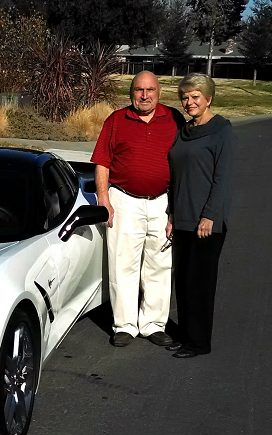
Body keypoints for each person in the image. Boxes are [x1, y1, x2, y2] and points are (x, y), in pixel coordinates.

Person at [91, 71, 184, 347]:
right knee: (123, 263)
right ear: (131, 93)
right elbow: (102, 161)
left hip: (162, 201)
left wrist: (177, 207)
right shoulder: (116, 120)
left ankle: (154, 324)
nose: (145, 95)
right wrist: (103, 198)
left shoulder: (174, 119)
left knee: (159, 264)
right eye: (139, 90)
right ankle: (125, 325)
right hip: (124, 199)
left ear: (159, 92)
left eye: (150, 90)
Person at [166, 73, 235, 358]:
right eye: (185, 97)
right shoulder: (184, 131)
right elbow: (175, 175)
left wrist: (209, 216)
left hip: (206, 222)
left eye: (195, 96)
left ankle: (199, 342)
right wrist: (171, 214)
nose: (189, 102)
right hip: (181, 217)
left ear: (208, 98)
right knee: (182, 281)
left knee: (200, 283)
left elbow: (223, 178)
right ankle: (185, 334)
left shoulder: (222, 131)